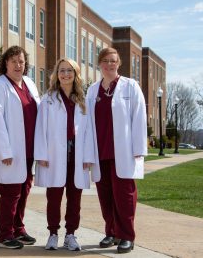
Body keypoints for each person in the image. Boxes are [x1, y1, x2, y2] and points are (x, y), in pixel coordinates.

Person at [86, 47, 147, 254]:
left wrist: (139, 148)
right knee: (105, 195)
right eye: (105, 60)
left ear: (118, 63)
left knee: (124, 195)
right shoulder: (93, 90)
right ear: (99, 64)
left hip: (123, 151)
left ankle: (127, 235)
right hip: (100, 151)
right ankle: (111, 232)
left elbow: (139, 118)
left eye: (113, 61)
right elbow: (87, 123)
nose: (109, 64)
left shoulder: (130, 86)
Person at [34, 58, 95, 251]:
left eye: (69, 71)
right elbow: (40, 129)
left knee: (74, 198)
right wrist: (41, 154)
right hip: (54, 155)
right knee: (53, 197)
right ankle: (53, 234)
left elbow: (89, 132)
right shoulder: (48, 99)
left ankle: (70, 235)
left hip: (76, 156)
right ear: (56, 74)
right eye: (62, 70)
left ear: (75, 74)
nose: (65, 74)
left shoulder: (84, 101)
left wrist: (88, 157)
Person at [0, 45, 40, 249]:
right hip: (10, 150)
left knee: (24, 189)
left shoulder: (30, 84)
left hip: (29, 149)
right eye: (14, 60)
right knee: (11, 193)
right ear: (5, 63)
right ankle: (5, 234)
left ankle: (18, 228)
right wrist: (4, 150)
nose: (18, 65)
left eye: (22, 61)